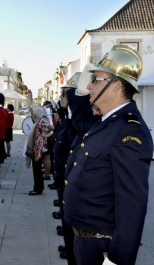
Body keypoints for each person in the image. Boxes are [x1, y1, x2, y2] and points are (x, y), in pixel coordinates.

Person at [64, 45, 153, 265]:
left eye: (96, 79)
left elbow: (132, 206)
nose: (89, 85)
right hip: (85, 242)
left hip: (101, 247)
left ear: (117, 85)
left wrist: (116, 261)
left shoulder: (128, 131)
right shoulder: (106, 122)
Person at [25, 107, 50, 195]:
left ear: (35, 115)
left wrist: (37, 155)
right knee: (37, 170)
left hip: (38, 151)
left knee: (37, 170)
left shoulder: (40, 124)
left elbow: (39, 141)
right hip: (39, 150)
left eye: (32, 114)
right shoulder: (41, 122)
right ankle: (39, 187)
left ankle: (37, 189)